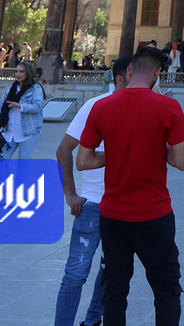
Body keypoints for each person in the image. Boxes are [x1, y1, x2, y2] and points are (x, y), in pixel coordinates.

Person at [77, 46, 184, 326]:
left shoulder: (102, 107)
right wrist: (154, 148)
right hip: (154, 214)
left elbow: (83, 161)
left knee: (114, 289)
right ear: (157, 73)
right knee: (166, 288)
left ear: (129, 71)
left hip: (113, 215)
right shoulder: (168, 107)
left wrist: (117, 152)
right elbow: (181, 161)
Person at [54, 55, 131, 326]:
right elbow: (64, 150)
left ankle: (92, 319)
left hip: (125, 205)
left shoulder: (142, 108)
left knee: (111, 269)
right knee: (76, 273)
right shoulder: (96, 106)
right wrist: (70, 193)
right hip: (94, 203)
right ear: (120, 78)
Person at [0, 61, 45, 176]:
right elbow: (1, 105)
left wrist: (19, 106)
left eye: (21, 71)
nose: (18, 74)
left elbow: (37, 106)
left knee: (23, 163)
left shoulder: (35, 88)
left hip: (28, 132)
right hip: (9, 132)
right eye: (16, 71)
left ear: (28, 73)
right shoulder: (11, 88)